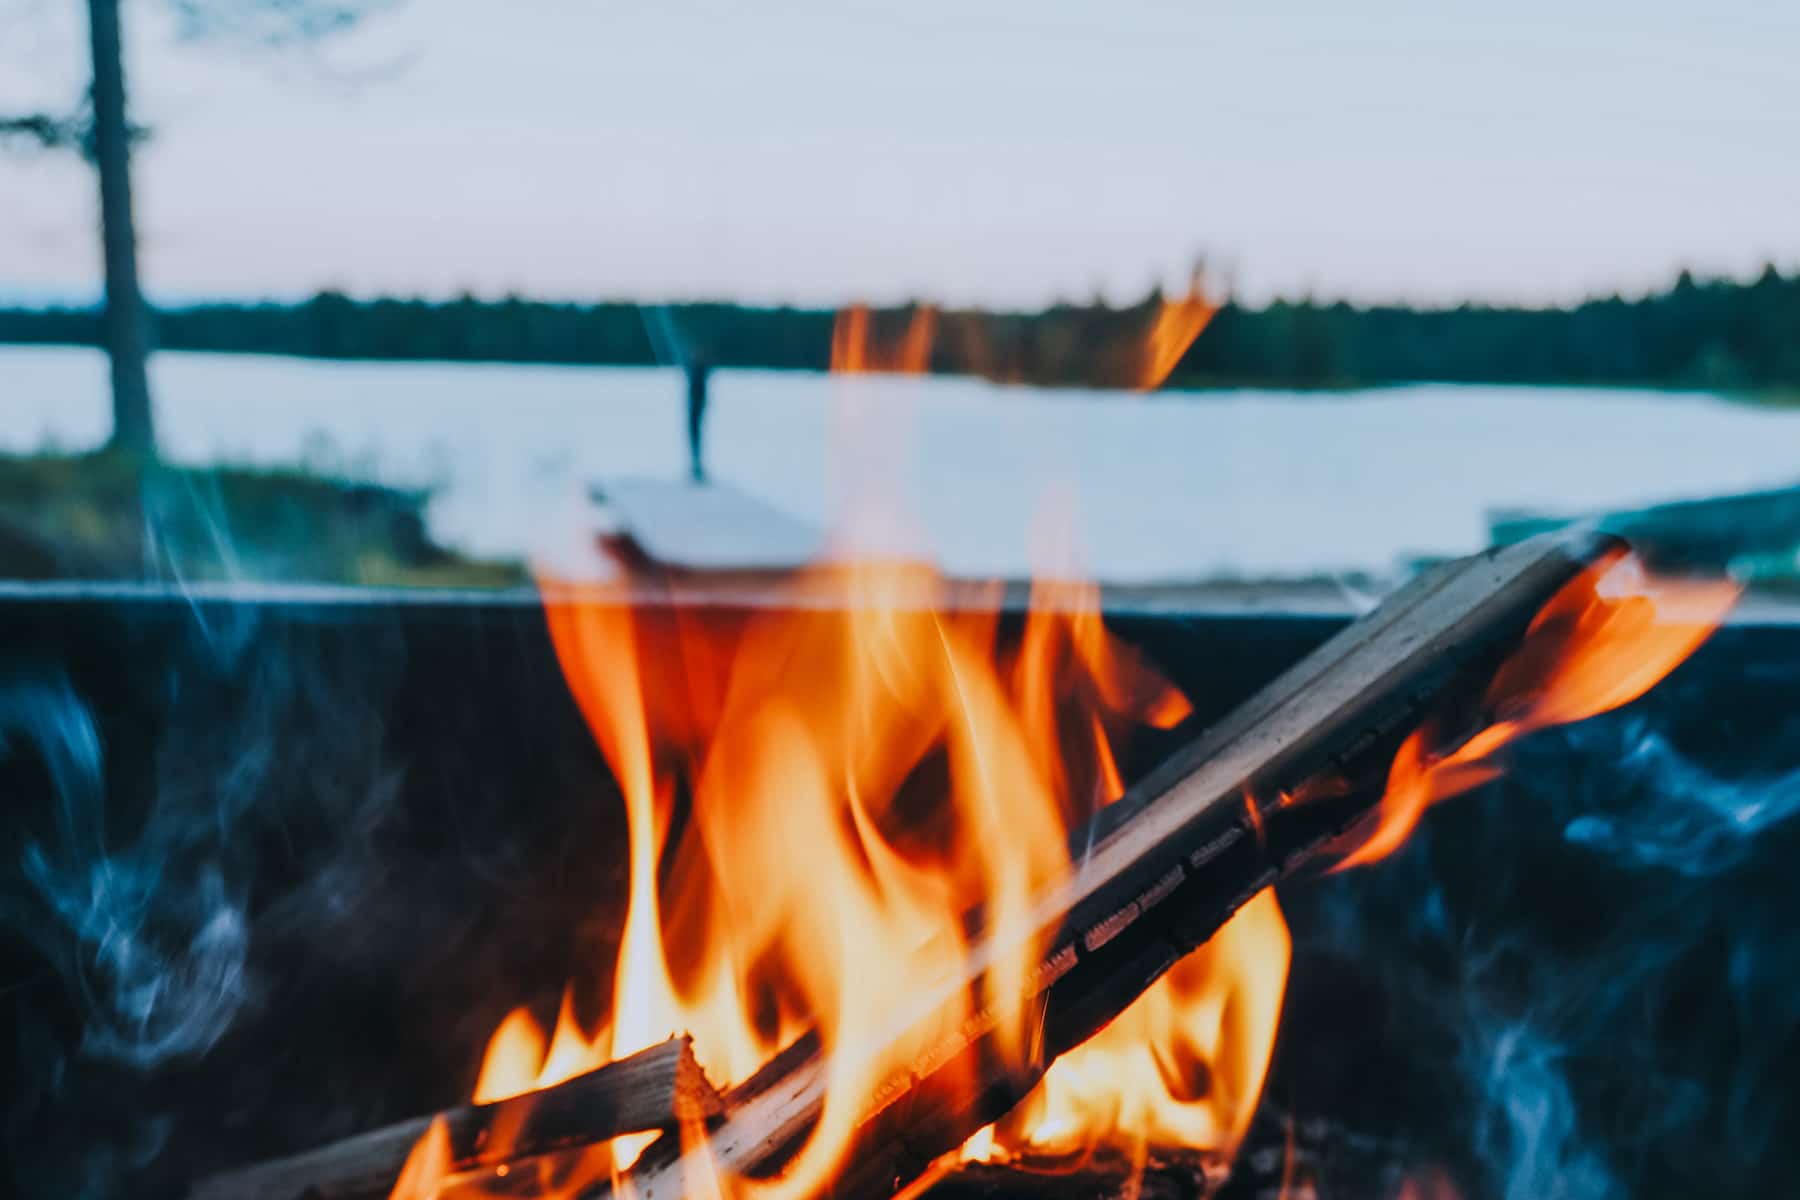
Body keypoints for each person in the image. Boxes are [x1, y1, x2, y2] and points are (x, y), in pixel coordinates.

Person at [685, 356, 711, 483]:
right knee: (695, 433)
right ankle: (696, 466)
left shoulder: (698, 372)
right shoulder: (700, 372)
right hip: (695, 409)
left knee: (695, 432)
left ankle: (696, 466)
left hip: (695, 409)